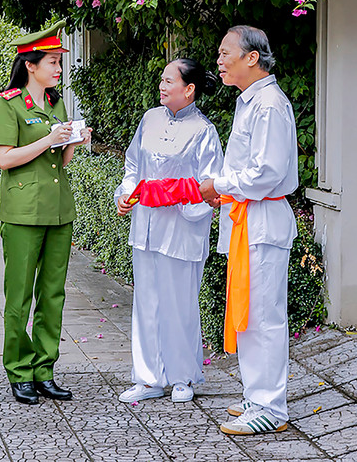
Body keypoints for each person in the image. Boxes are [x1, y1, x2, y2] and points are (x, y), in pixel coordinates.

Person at [199, 25, 298, 435]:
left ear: (252, 57)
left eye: (226, 54)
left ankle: (270, 407)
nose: (219, 61)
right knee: (249, 315)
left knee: (263, 318)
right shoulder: (250, 102)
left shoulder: (269, 104)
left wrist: (220, 185)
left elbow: (267, 171)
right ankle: (256, 396)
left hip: (262, 221)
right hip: (247, 219)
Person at [0, 20, 92, 405]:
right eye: (52, 62)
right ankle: (19, 371)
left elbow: (59, 161)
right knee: (19, 297)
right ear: (30, 65)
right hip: (22, 215)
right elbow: (4, 159)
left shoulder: (55, 101)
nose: (58, 70)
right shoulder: (8, 104)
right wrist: (48, 138)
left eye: (59, 63)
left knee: (53, 295)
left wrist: (74, 141)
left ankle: (45, 370)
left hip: (59, 211)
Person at [113, 59, 224, 404]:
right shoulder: (149, 119)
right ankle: (147, 378)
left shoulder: (204, 131)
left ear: (189, 89)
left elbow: (212, 185)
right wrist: (125, 194)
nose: (161, 86)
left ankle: (182, 376)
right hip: (145, 225)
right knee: (146, 302)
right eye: (161, 80)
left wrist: (177, 194)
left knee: (179, 304)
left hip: (181, 228)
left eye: (168, 81)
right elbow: (133, 164)